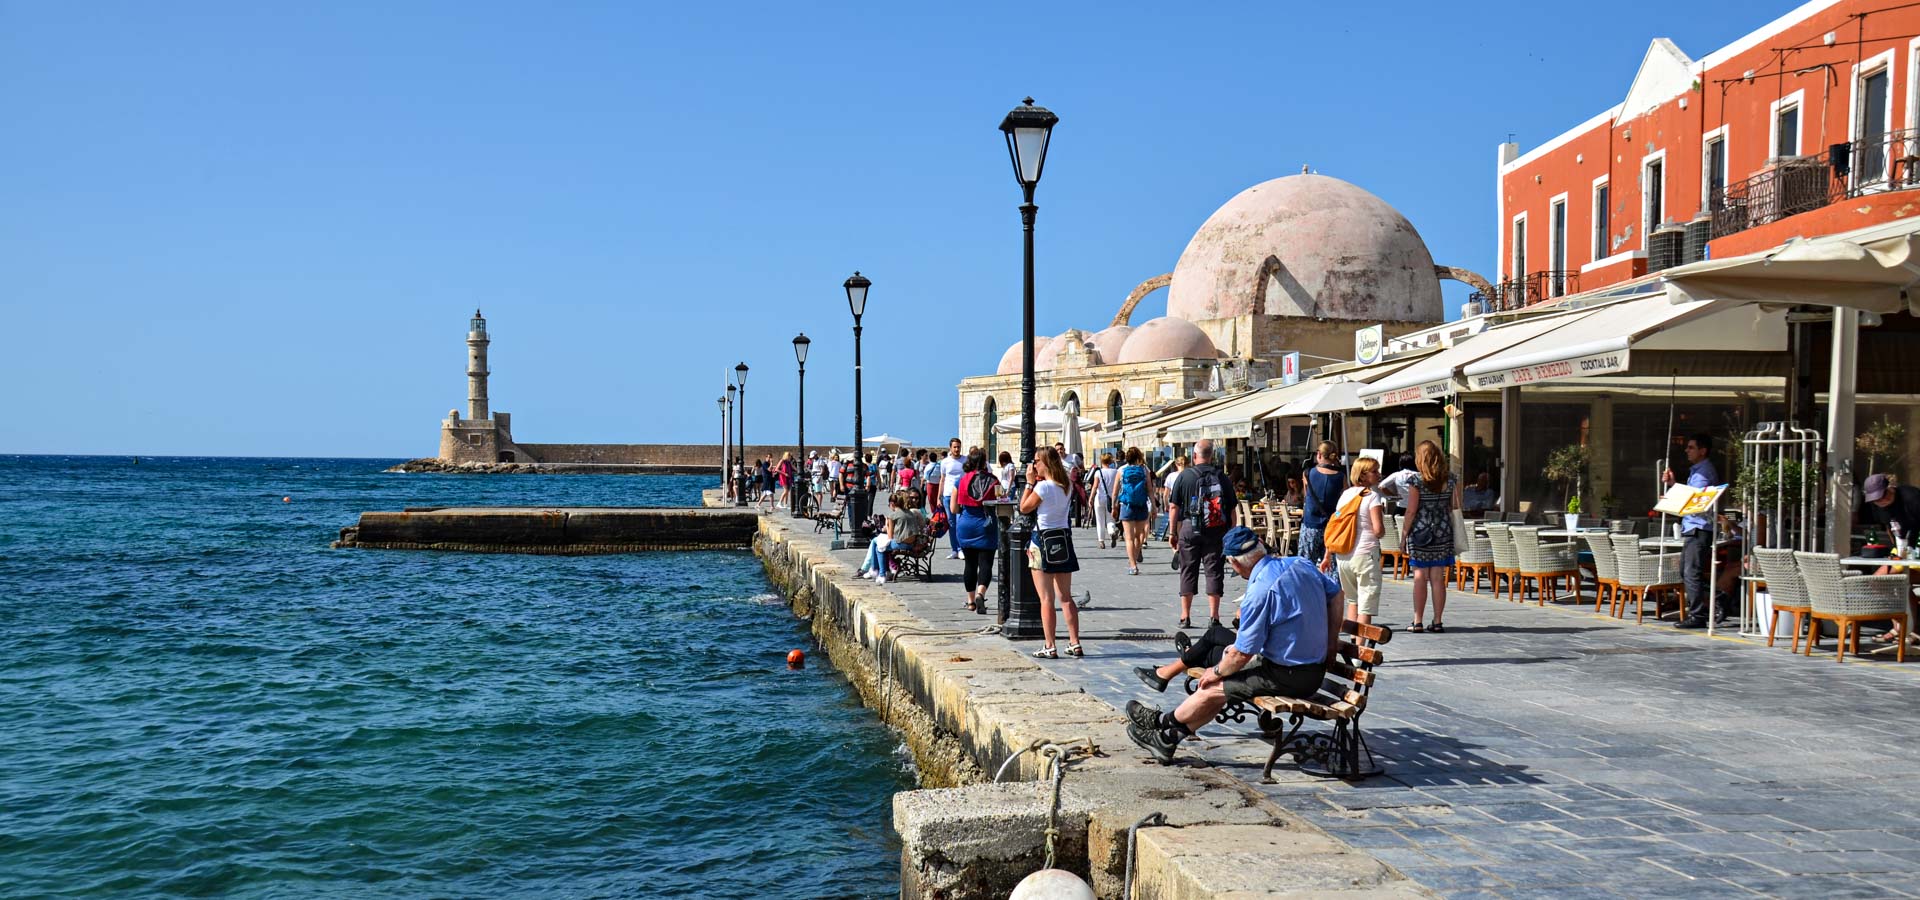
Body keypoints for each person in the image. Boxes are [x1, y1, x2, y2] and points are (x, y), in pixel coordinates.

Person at [1126, 526, 1343, 765]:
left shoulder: (1261, 590)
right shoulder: (1300, 563)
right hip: (1311, 668)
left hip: (1288, 675)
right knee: (1220, 684)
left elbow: (1241, 654)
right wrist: (1331, 643)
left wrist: (1215, 671)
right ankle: (1167, 738)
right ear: (1260, 544)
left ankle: (1162, 725)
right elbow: (1336, 595)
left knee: (1212, 687)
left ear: (1234, 562)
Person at [1168, 439, 1238, 630]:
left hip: (1190, 528)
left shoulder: (1185, 476)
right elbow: (1232, 509)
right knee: (1214, 571)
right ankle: (1214, 617)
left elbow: (1174, 506)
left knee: (1187, 570)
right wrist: (1231, 533)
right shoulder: (1221, 477)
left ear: (1194, 456)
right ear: (1212, 456)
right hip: (1216, 529)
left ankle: (1185, 616)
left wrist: (1172, 532)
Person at [1020, 446, 1082, 658]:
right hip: (1062, 539)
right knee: (1066, 597)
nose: (1034, 465)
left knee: (1046, 598)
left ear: (1046, 463)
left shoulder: (1043, 487)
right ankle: (1075, 642)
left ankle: (1050, 644)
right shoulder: (1066, 485)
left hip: (1042, 539)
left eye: (1037, 460)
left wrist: (1029, 483)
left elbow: (1024, 507)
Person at [1663, 433, 1721, 628]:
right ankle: (1711, 601)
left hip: (1699, 527)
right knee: (1685, 571)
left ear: (1702, 451)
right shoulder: (1696, 470)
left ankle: (1699, 614)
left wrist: (1673, 496)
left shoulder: (1704, 471)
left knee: (1691, 572)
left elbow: (1695, 501)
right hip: (1691, 526)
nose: (1686, 450)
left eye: (1691, 447)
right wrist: (1673, 487)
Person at [1403, 440, 1459, 633]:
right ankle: (1437, 621)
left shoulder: (1416, 481)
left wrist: (1403, 535)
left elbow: (1411, 511)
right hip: (1443, 531)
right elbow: (1454, 506)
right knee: (1438, 578)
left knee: (1419, 576)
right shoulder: (1450, 479)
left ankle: (1417, 621)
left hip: (1420, 531)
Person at [1323, 455, 1386, 626]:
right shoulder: (1373, 497)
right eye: (1374, 471)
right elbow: (1378, 530)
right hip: (1365, 554)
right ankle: (1360, 647)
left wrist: (1327, 555)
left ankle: (1351, 645)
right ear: (1363, 475)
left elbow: (1336, 526)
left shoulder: (1345, 496)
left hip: (1343, 556)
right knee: (1366, 607)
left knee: (1353, 601)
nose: (1378, 474)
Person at [1860, 472, 1920, 643]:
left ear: (1890, 488)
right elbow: (1889, 527)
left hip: (1917, 548)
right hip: (1902, 549)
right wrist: (1897, 550)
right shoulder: (1877, 506)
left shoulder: (1911, 497)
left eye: (1883, 496)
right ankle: (1900, 627)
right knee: (1877, 581)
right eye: (1876, 499)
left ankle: (1912, 629)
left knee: (1897, 580)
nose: (1881, 501)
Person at [952, 449, 1000, 614]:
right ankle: (981, 593)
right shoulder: (993, 481)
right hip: (986, 525)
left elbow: (953, 508)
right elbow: (1000, 501)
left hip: (966, 525)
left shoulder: (960, 481)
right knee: (986, 564)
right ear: (985, 461)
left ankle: (971, 601)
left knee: (969, 564)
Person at [1297, 442, 1346, 564]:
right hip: (1331, 525)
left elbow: (1306, 495)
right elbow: (1344, 501)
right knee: (1331, 566)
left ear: (1319, 454)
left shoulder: (1308, 473)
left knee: (1306, 565)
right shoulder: (1341, 477)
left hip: (1310, 524)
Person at [1112, 447, 1155, 575]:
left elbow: (1115, 491)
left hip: (1126, 505)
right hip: (1141, 505)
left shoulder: (1121, 470)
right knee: (1139, 535)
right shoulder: (1144, 469)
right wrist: (1154, 505)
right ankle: (1135, 558)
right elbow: (1150, 490)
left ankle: (1133, 565)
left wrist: (1114, 506)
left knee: (1129, 537)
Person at [937, 438, 967, 559]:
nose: (956, 449)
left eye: (958, 447)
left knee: (960, 522)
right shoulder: (944, 462)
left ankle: (961, 548)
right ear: (950, 448)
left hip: (961, 495)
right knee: (951, 523)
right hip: (948, 494)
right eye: (954, 447)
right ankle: (954, 549)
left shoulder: (965, 460)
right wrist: (939, 497)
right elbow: (942, 479)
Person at [1090, 452, 1120, 550]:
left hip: (1099, 498)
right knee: (1110, 519)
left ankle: (1101, 541)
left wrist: (1091, 498)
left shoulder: (1098, 472)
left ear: (1102, 461)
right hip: (1112, 498)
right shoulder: (1115, 472)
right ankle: (1111, 532)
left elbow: (1095, 486)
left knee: (1100, 520)